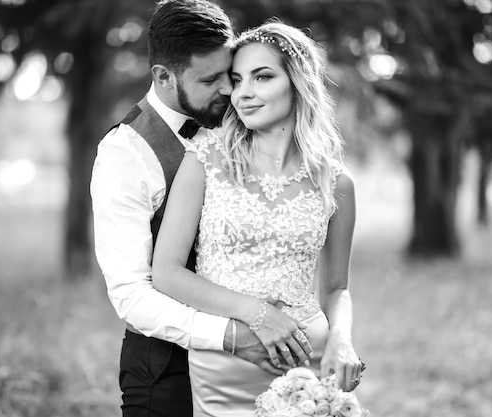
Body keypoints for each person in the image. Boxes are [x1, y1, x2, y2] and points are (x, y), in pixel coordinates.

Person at [90, 2, 312, 416]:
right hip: (166, 370)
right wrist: (231, 333)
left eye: (227, 75)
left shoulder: (241, 116)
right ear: (163, 77)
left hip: (256, 361)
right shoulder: (125, 153)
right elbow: (131, 295)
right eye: (210, 80)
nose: (230, 91)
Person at [152, 20, 364, 416]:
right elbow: (166, 272)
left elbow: (336, 288)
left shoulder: (337, 183)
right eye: (237, 79)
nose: (244, 93)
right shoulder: (204, 164)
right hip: (227, 364)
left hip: (309, 359)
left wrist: (342, 338)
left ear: (297, 82)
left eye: (262, 77)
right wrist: (258, 314)